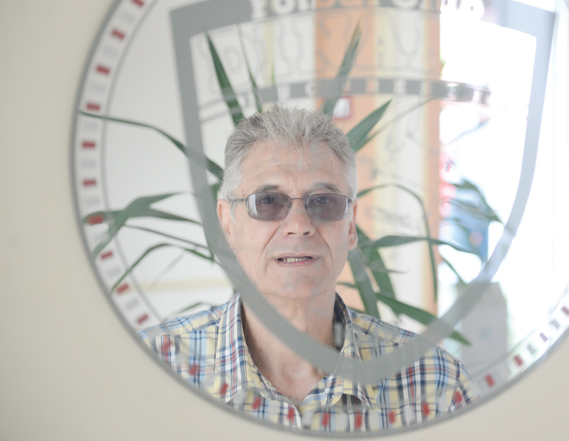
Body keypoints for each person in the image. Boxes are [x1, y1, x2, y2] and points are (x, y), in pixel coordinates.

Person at [140, 105, 475, 431]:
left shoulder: (437, 383)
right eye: (268, 201)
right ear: (228, 224)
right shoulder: (148, 368)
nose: (299, 225)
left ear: (350, 226)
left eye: (323, 201)